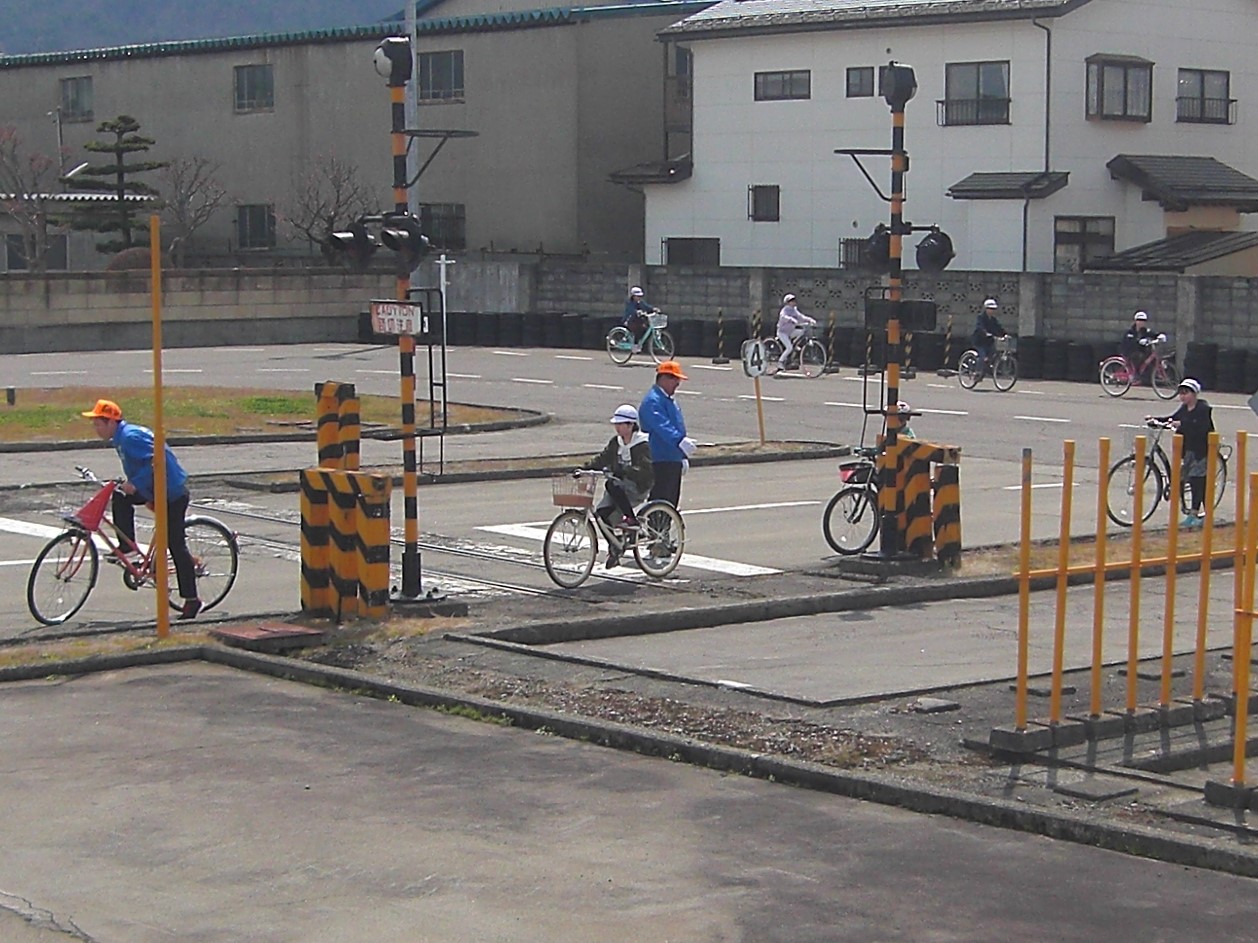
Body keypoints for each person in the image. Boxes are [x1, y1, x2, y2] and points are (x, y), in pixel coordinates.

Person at [82, 398, 202, 619]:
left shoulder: (129, 437)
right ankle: (127, 547)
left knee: (175, 545)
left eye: (98, 423)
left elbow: (155, 462)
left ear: (110, 422)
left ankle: (192, 600)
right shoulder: (120, 438)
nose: (95, 428)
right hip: (155, 488)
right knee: (120, 496)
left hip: (171, 493)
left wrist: (135, 483)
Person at [579, 404, 655, 568]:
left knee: (611, 484)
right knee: (601, 514)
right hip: (619, 486)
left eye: (621, 424)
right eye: (616, 424)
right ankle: (615, 545)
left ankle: (631, 519)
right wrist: (585, 469)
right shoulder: (616, 442)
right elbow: (603, 458)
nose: (617, 428)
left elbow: (646, 471)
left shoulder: (642, 444)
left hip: (636, 487)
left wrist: (624, 471)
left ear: (631, 425)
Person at [1148, 377, 1214, 527]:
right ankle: (1192, 510)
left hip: (1201, 450)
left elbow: (1201, 426)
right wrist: (1156, 420)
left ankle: (1195, 513)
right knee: (1185, 478)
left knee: (1197, 480)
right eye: (1181, 393)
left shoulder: (1203, 408)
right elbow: (1172, 418)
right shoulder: (1184, 408)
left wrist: (1183, 424)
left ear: (1195, 394)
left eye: (1186, 393)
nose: (1183, 396)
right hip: (1187, 449)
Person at [638, 360, 695, 509]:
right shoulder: (652, 401)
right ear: (664, 378)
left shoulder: (668, 400)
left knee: (671, 502)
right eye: (675, 379)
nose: (677, 383)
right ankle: (655, 530)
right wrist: (679, 441)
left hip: (672, 458)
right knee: (660, 500)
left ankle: (663, 531)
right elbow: (661, 425)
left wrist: (682, 456)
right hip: (659, 458)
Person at [774, 293, 817, 372]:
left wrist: (810, 320)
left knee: (802, 331)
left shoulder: (794, 310)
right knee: (789, 348)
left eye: (794, 300)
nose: (794, 302)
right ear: (787, 302)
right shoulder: (785, 310)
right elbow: (783, 317)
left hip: (791, 332)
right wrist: (791, 320)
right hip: (782, 333)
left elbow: (801, 317)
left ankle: (795, 344)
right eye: (791, 301)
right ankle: (780, 362)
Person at [1119, 310, 1160, 380]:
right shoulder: (1130, 332)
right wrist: (1138, 341)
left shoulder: (1146, 331)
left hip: (1141, 351)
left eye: (1143, 321)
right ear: (1135, 321)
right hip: (1129, 352)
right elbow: (1128, 343)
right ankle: (1136, 374)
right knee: (1138, 356)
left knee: (1148, 357)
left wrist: (1159, 336)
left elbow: (1153, 334)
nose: (1141, 322)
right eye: (1139, 320)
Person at [972, 297, 1007, 375]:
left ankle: (989, 369)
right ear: (986, 309)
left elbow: (998, 327)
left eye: (993, 309)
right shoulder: (980, 317)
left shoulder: (993, 319)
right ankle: (977, 372)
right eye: (990, 308)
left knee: (992, 354)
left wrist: (1004, 334)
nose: (992, 311)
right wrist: (985, 333)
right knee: (983, 356)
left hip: (989, 342)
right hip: (980, 341)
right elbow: (980, 327)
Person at [621, 286, 658, 352]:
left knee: (644, 328)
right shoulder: (629, 303)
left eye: (640, 296)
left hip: (638, 321)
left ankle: (639, 344)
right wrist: (637, 312)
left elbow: (647, 307)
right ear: (633, 296)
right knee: (636, 329)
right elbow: (630, 310)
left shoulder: (640, 302)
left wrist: (653, 309)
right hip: (630, 321)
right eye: (637, 296)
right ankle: (635, 345)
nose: (639, 298)